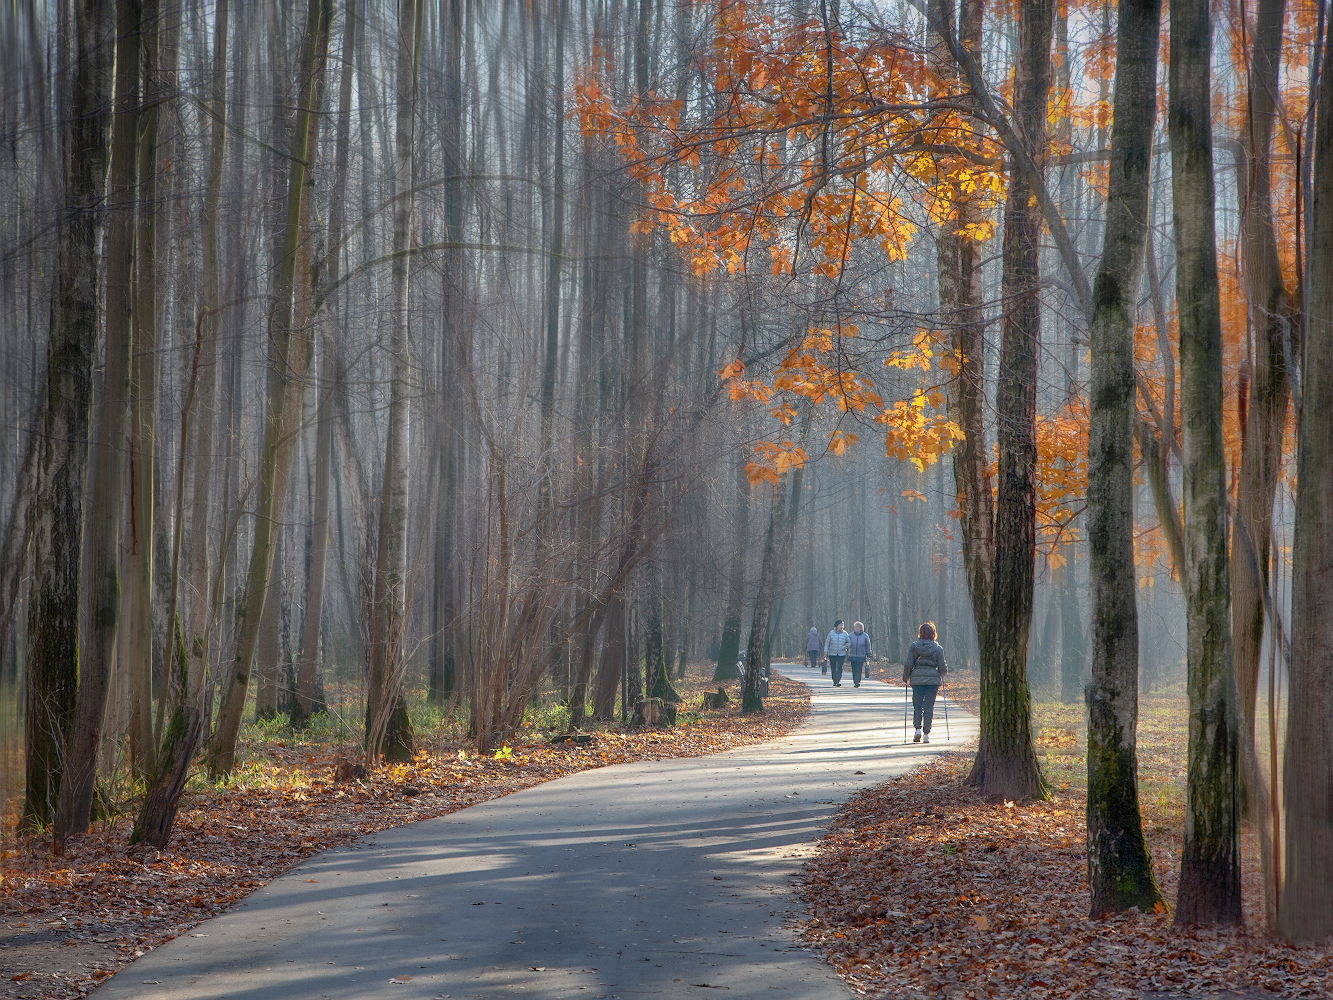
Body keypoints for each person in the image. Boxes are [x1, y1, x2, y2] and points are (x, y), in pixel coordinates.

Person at [903, 621, 946, 742]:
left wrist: (906, 677)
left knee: (917, 705)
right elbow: (942, 667)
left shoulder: (914, 647)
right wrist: (942, 674)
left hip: (917, 679)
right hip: (932, 680)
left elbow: (909, 664)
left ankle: (917, 729)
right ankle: (926, 733)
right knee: (929, 706)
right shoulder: (938, 648)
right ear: (933, 633)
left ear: (920, 633)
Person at [824, 620, 850, 687]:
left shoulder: (845, 634)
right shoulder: (831, 633)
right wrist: (825, 651)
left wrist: (846, 646)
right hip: (832, 653)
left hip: (841, 653)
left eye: (842, 625)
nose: (841, 627)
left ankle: (838, 680)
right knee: (833, 667)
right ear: (836, 626)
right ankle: (834, 680)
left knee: (839, 667)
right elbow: (827, 643)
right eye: (840, 625)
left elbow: (849, 643)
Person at [847, 622, 872, 688]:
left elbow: (868, 646)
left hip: (861, 655)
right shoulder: (850, 635)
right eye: (855, 627)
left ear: (861, 628)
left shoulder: (865, 636)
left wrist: (868, 655)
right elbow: (847, 642)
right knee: (854, 668)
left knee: (859, 669)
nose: (856, 628)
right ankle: (855, 680)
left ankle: (857, 681)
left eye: (857, 627)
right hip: (853, 655)